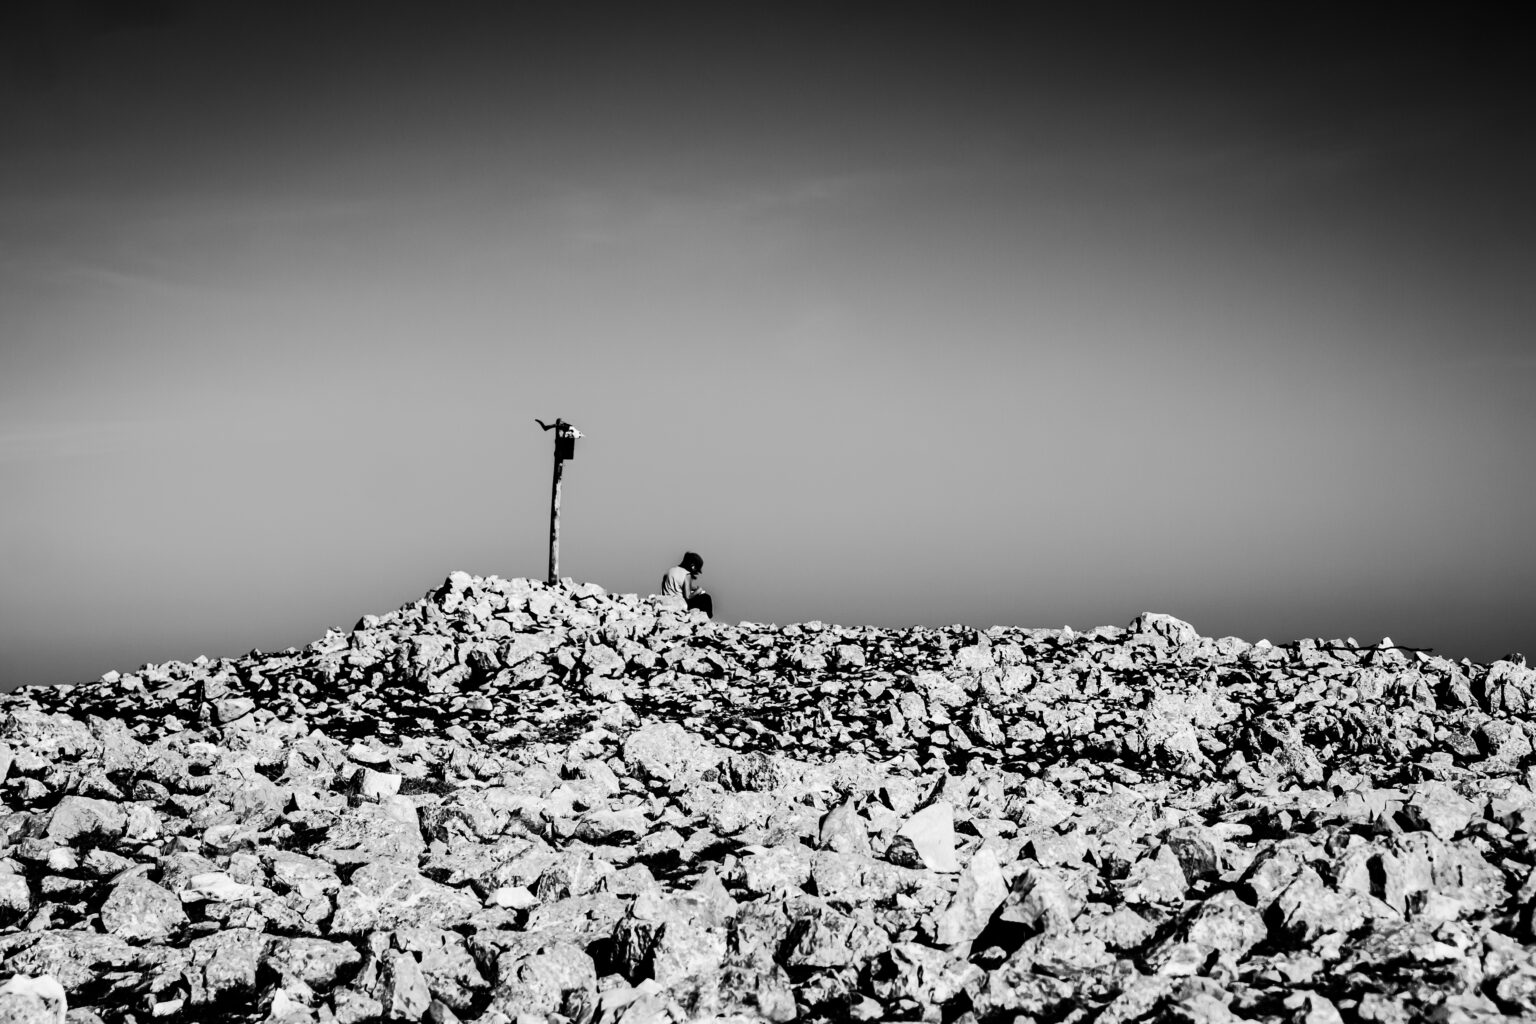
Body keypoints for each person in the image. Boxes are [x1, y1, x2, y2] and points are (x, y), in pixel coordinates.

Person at [661, 551, 713, 617]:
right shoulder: (687, 574)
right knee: (706, 597)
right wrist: (698, 591)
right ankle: (706, 618)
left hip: (667, 601)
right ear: (693, 566)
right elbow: (688, 597)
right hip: (680, 603)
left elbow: (676, 585)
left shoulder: (670, 570)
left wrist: (693, 588)